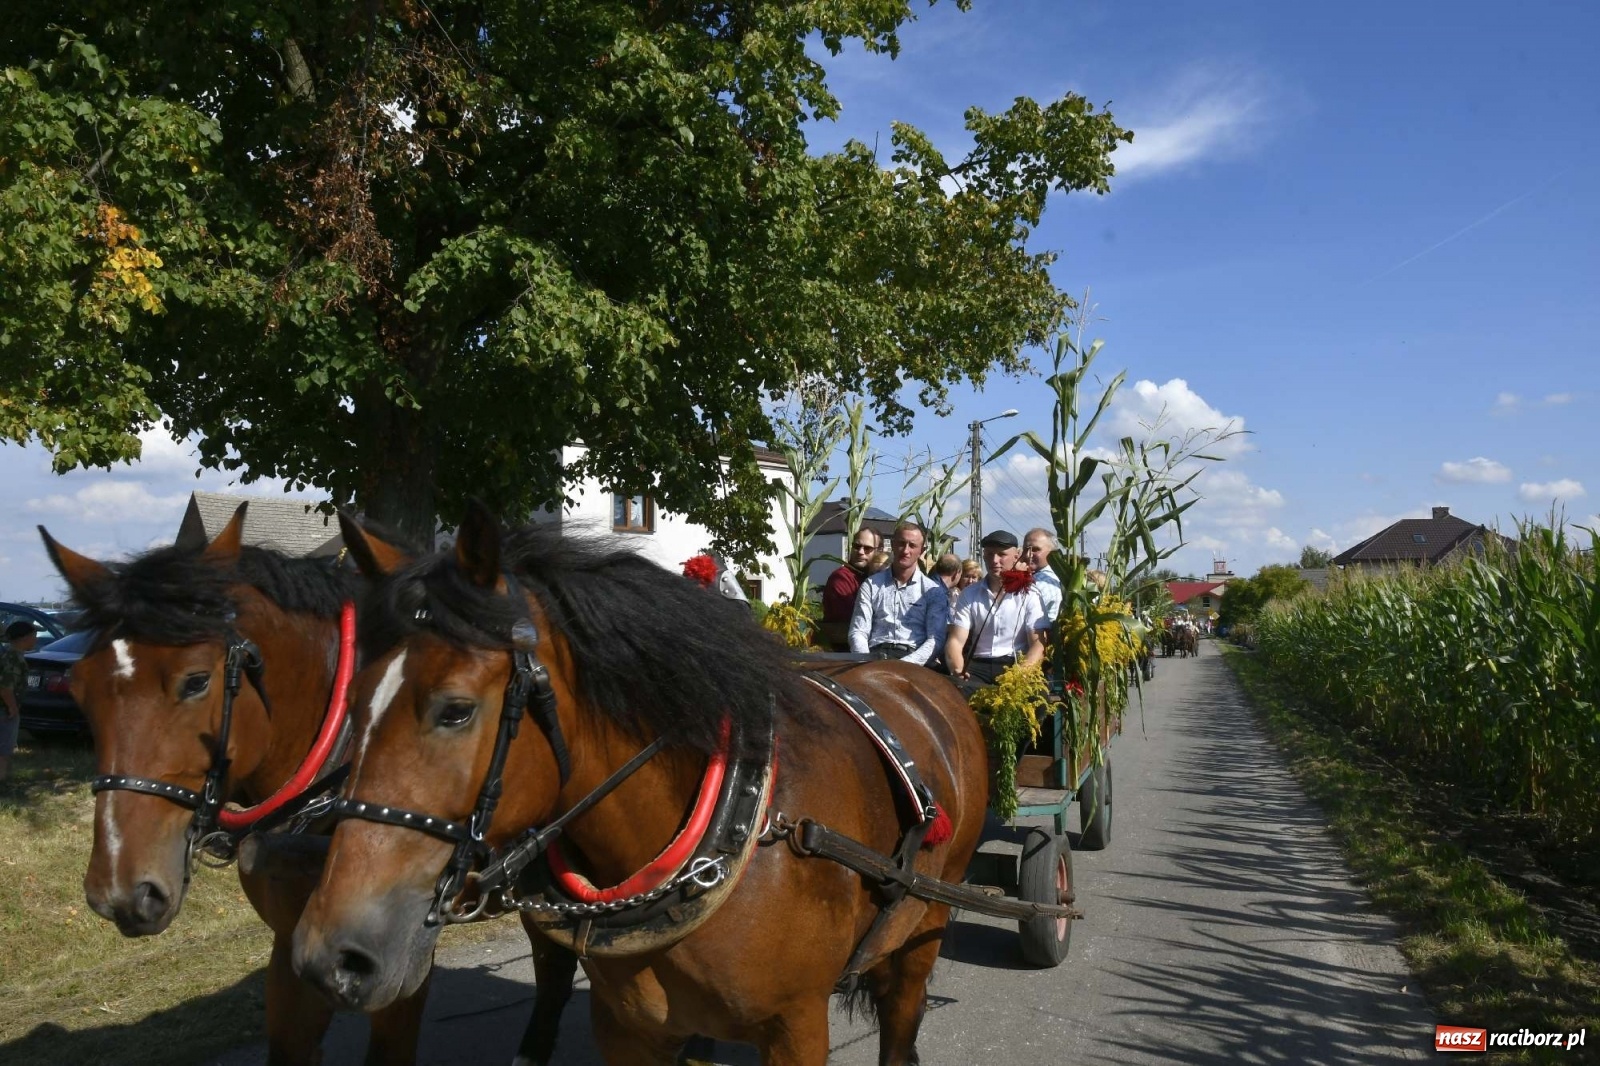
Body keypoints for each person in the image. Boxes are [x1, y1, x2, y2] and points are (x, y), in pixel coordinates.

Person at [945, 530, 1046, 686]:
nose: (994, 560)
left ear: (1017, 556)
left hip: (1016, 665)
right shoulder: (969, 594)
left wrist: (1020, 675)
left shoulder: (1031, 594)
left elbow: (1038, 645)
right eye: (989, 554)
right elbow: (956, 641)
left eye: (1001, 554)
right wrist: (958, 669)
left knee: (1037, 696)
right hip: (977, 667)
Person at [848, 523, 949, 666]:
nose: (906, 550)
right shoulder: (871, 585)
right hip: (875, 657)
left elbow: (936, 639)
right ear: (893, 545)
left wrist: (905, 665)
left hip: (914, 661)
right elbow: (858, 631)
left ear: (921, 550)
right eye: (901, 544)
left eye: (912, 545)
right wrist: (865, 662)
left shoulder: (933, 591)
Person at [0, 620, 38, 784]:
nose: (35, 639)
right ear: (24, 638)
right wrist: (12, 708)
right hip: (4, 710)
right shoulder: (14, 659)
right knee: (3, 750)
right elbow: (5, 687)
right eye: (34, 635)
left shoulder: (11, 656)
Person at [822, 526, 882, 626]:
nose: (860, 552)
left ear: (879, 551)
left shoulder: (880, 578)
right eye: (857, 546)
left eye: (867, 548)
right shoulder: (841, 578)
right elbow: (856, 619)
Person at [1022, 527, 1062, 623]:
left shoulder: (1041, 581)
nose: (1028, 555)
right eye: (1025, 549)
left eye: (1035, 549)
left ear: (1053, 553)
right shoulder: (1056, 575)